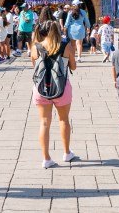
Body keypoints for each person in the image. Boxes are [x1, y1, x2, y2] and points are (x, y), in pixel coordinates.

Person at [30, 20, 78, 168]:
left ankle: (46, 158)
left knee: (44, 122)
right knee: (63, 120)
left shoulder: (35, 47)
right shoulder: (66, 46)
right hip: (62, 88)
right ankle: (67, 153)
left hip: (41, 89)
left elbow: (35, 66)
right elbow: (73, 67)